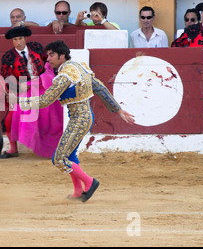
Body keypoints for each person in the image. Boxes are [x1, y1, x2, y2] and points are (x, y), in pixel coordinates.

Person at [19, 40, 135, 202]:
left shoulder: (64, 76)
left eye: (52, 55)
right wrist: (117, 109)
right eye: (47, 56)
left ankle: (89, 182)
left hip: (79, 119)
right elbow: (99, 87)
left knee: (59, 159)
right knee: (70, 155)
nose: (48, 59)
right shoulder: (79, 67)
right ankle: (78, 190)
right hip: (84, 116)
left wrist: (20, 103)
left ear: (62, 56)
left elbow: (46, 100)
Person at [0, 26, 63, 158]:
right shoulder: (8, 57)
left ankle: (56, 147)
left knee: (52, 116)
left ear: (25, 38)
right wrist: (18, 87)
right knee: (9, 119)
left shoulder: (35, 47)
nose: (18, 42)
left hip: (43, 85)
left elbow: (49, 62)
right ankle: (13, 149)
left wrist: (51, 77)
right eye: (15, 39)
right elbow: (5, 78)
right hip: (24, 89)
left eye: (21, 38)